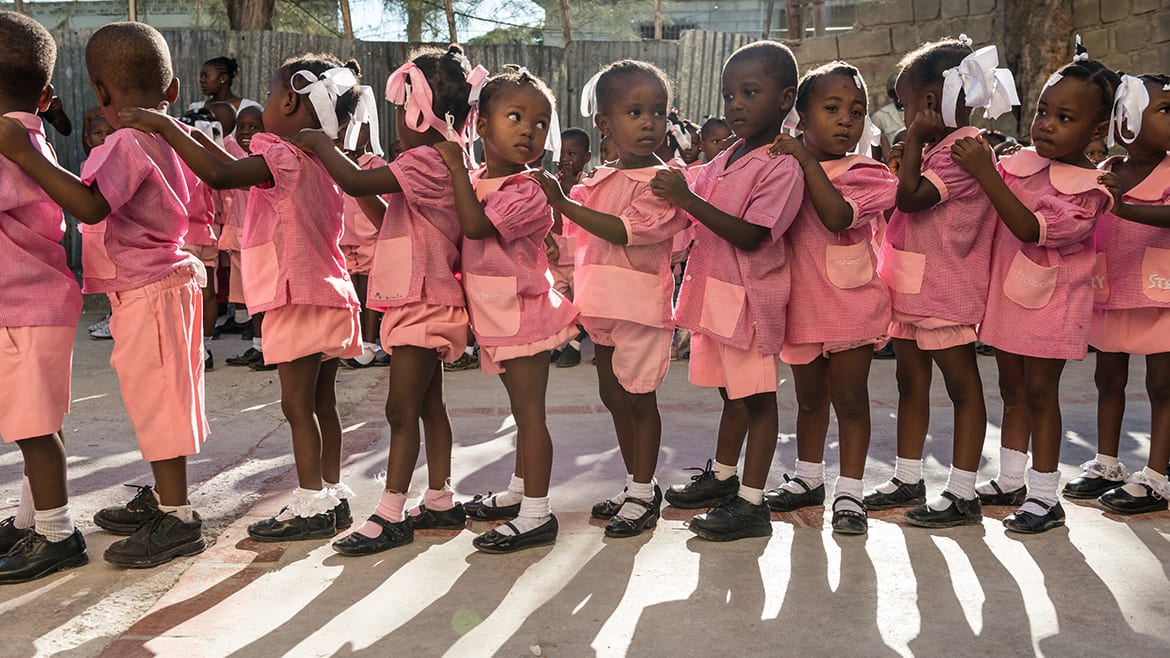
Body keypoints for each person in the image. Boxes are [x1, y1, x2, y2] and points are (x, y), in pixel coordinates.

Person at [121, 53, 372, 543]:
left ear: (291, 101)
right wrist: (194, 136)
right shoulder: (321, 162)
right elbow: (232, 166)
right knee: (323, 403)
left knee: (297, 407)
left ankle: (309, 503)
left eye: (274, 95)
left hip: (294, 297)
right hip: (331, 294)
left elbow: (218, 177)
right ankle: (332, 493)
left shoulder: (281, 156)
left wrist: (167, 128)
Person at [0, 22, 210, 568]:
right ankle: (160, 504)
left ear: (97, 92)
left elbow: (91, 207)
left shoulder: (125, 142)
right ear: (173, 90)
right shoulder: (155, 135)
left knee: (159, 401)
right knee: (149, 398)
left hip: (150, 287)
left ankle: (178, 516)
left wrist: (26, 156)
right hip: (145, 285)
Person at [293, 46, 475, 555]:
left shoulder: (426, 158)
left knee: (399, 411)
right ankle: (438, 497)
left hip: (421, 300)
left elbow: (351, 179)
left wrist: (318, 144)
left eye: (400, 107)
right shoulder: (446, 156)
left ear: (420, 108)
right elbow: (385, 216)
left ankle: (390, 513)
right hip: (425, 297)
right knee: (429, 406)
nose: (396, 118)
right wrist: (353, 174)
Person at [959, 45, 1118, 533]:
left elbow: (1031, 229)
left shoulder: (1090, 190)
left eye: (1064, 117)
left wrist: (987, 171)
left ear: (1095, 130)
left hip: (1052, 306)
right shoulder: (1018, 166)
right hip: (1007, 302)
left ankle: (1046, 497)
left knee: (1040, 393)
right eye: (1044, 111)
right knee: (1011, 391)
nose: (1046, 124)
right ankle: (1011, 480)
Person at [653, 41, 805, 542]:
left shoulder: (780, 165)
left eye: (749, 92)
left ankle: (753, 504)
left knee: (758, 399)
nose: (735, 104)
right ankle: (723, 478)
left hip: (752, 303)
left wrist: (688, 199)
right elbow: (689, 182)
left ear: (785, 100)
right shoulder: (729, 156)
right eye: (729, 94)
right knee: (731, 395)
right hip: (719, 296)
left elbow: (753, 234)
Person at [533, 59, 687, 538]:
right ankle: (634, 481)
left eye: (658, 113)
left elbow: (626, 232)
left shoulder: (665, 182)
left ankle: (643, 492)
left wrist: (562, 202)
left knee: (640, 399)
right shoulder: (600, 179)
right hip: (601, 303)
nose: (649, 123)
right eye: (635, 112)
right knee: (613, 395)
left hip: (640, 307)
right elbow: (584, 239)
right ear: (605, 123)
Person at [863, 37, 1013, 529]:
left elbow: (910, 201)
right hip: (910, 288)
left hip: (945, 292)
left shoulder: (965, 151)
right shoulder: (935, 147)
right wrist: (913, 150)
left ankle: (963, 491)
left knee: (963, 388)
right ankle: (908, 476)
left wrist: (910, 154)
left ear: (931, 102)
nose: (903, 114)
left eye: (906, 104)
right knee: (910, 383)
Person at [436, 67, 579, 551]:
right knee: (521, 413)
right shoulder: (479, 179)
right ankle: (521, 491)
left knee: (531, 414)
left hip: (525, 317)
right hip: (495, 316)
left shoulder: (528, 189)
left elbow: (476, 229)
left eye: (540, 123)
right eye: (515, 116)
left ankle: (538, 514)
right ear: (480, 124)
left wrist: (455, 168)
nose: (529, 130)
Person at [768, 62, 896, 535]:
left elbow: (838, 216)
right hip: (798, 304)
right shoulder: (780, 169)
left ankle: (850, 493)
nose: (847, 119)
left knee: (850, 400)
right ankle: (808, 479)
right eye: (832, 108)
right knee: (807, 402)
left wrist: (803, 161)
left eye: (857, 110)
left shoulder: (868, 172)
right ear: (800, 115)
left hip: (850, 305)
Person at [0, 11, 87, 584]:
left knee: (34, 427)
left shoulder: (6, 140)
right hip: (37, 304)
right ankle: (34, 518)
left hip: (26, 307)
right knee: (39, 423)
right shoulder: (27, 134)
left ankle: (57, 534)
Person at [1087, 73, 1170, 514]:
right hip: (1113, 291)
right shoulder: (1106, 171)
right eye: (1165, 110)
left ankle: (1156, 477)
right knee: (1107, 379)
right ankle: (1106, 462)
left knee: (1162, 384)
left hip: (1162, 295)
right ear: (1127, 117)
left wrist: (1126, 208)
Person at [219, 106, 266, 368]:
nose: (246, 132)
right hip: (240, 236)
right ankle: (258, 346)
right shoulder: (236, 154)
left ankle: (269, 348)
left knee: (263, 298)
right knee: (251, 298)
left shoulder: (265, 158)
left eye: (254, 127)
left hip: (261, 238)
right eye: (242, 127)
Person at [548, 127, 591, 368]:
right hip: (557, 259)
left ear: (586, 157)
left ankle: (574, 346)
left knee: (583, 305)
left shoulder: (589, 184)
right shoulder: (551, 182)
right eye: (562, 153)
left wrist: (571, 189)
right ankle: (560, 343)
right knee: (558, 306)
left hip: (580, 261)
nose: (566, 159)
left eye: (572, 154)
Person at [190, 56, 260, 115]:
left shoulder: (249, 107)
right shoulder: (196, 108)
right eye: (201, 76)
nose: (201, 80)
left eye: (206, 76)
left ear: (223, 78)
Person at [871, 72, 905, 144]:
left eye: (904, 91)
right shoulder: (880, 116)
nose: (899, 96)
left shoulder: (917, 112)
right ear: (891, 94)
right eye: (896, 93)